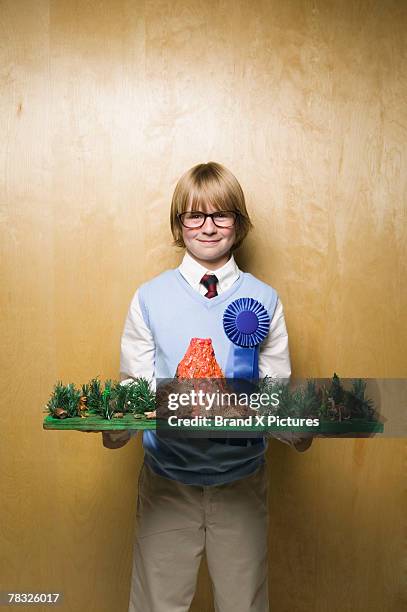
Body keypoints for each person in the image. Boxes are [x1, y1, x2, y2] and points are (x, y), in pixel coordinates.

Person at [103, 162, 313, 611]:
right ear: (180, 223)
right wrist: (113, 428)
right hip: (166, 483)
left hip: (241, 484)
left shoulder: (265, 299)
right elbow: (135, 397)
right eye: (195, 216)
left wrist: (300, 429)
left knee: (244, 605)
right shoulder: (148, 298)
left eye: (221, 214)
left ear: (238, 222)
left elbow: (274, 398)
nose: (208, 227)